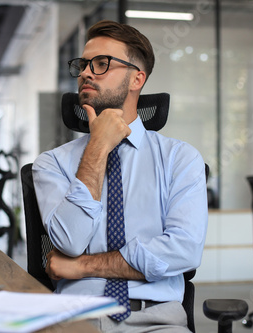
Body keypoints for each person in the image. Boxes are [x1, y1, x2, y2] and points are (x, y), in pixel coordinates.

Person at [32, 20, 208, 333]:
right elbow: (69, 242)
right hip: (75, 318)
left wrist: (81, 267)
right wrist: (97, 146)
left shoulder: (180, 159)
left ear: (137, 78)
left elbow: (183, 249)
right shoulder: (52, 163)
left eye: (101, 64)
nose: (86, 72)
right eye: (84, 64)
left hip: (157, 321)